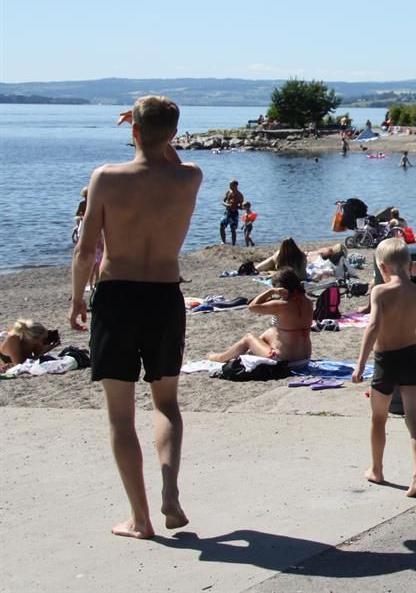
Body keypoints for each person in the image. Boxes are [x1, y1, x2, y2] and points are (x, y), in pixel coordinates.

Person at [70, 96, 202, 539]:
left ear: (133, 132)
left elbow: (86, 249)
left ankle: (140, 518)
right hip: (164, 295)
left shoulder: (106, 178)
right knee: (166, 404)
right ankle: (170, 492)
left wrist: (76, 298)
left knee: (121, 416)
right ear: (174, 135)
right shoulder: (190, 177)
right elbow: (170, 159)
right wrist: (160, 137)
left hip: (117, 297)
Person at [351, 238, 416, 496]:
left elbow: (373, 328)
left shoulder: (380, 292)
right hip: (411, 359)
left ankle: (377, 469)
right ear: (410, 265)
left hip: (385, 362)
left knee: (378, 418)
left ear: (382, 267)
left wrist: (360, 365)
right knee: (414, 421)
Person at [206, 268, 313, 363]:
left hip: (284, 360)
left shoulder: (281, 305)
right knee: (271, 332)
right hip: (304, 358)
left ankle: (220, 358)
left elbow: (252, 306)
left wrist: (270, 292)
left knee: (248, 338)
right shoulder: (308, 302)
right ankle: (249, 352)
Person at [220, 180, 243, 245]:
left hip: (234, 213)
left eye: (231, 185)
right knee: (222, 226)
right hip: (227, 211)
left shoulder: (239, 195)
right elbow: (223, 201)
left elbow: (241, 207)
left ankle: (233, 244)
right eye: (230, 185)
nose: (230, 186)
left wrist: (235, 206)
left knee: (233, 229)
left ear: (235, 186)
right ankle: (223, 241)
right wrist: (227, 205)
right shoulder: (228, 192)